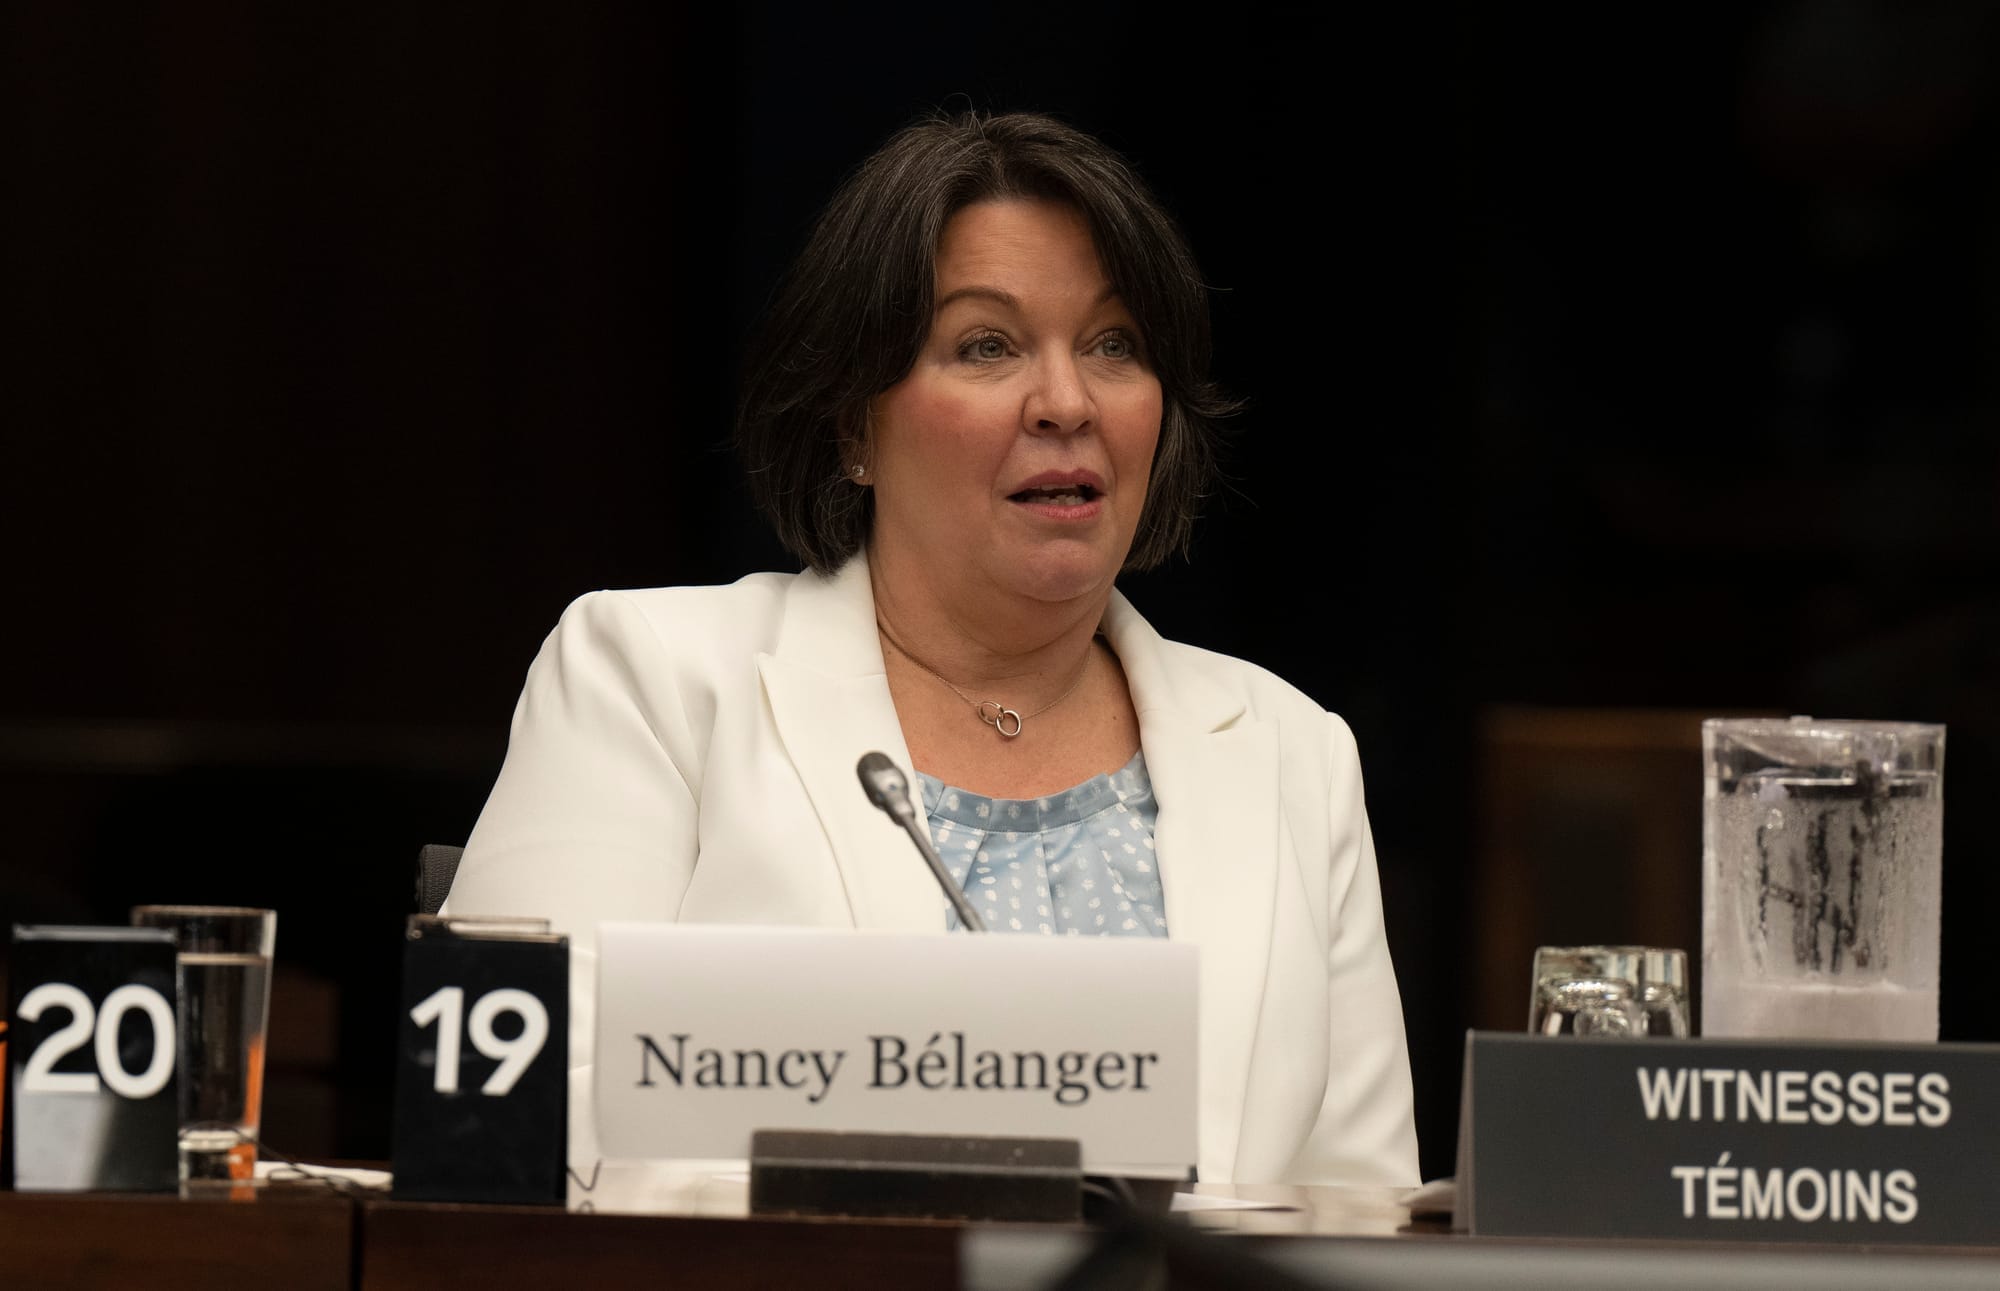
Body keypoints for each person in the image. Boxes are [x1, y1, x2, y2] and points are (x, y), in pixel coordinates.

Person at [445, 110, 1418, 1191]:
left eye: (1112, 344)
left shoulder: (1292, 750)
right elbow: (502, 1129)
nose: (1065, 402)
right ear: (853, 426)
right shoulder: (649, 680)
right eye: (987, 345)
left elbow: (1359, 1209)